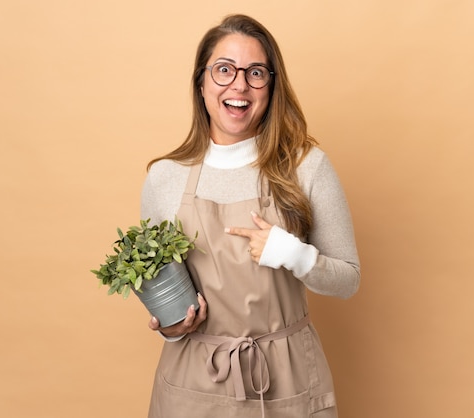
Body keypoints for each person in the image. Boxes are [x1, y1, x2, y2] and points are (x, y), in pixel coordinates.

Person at [140, 14, 360, 418]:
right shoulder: (164, 179)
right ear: (201, 82)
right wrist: (172, 328)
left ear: (270, 86)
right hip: (193, 384)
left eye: (255, 73)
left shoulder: (307, 167)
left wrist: (294, 255)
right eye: (224, 70)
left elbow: (348, 280)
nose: (238, 85)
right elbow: (166, 294)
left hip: (287, 378)